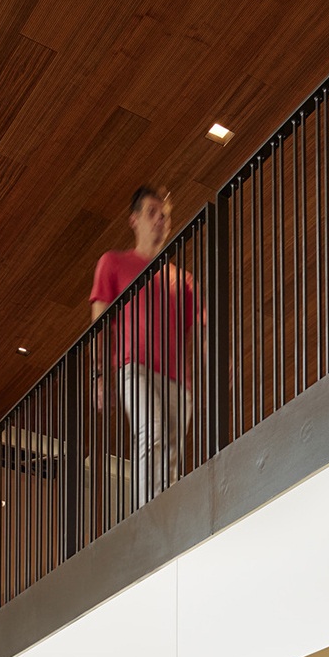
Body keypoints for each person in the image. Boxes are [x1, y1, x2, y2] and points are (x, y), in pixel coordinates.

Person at [89, 184, 198, 509]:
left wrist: (218, 361)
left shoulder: (184, 281)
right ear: (134, 220)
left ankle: (167, 519)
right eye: (152, 212)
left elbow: (198, 333)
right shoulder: (113, 263)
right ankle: (146, 516)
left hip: (178, 381)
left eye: (164, 215)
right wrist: (99, 374)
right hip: (133, 368)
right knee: (151, 432)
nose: (160, 220)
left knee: (171, 455)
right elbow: (99, 323)